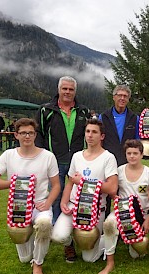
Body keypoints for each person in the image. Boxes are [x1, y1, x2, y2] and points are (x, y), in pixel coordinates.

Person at [0, 118, 60, 274]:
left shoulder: (48, 156)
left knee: (44, 224)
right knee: (24, 258)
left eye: (31, 133)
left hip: (40, 205)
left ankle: (38, 265)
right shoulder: (8, 155)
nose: (27, 136)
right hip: (18, 207)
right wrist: (13, 183)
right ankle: (32, 242)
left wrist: (48, 203)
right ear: (16, 135)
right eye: (23, 133)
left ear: (35, 135)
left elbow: (56, 186)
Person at [52, 119, 118, 263]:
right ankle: (70, 242)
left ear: (102, 136)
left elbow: (112, 187)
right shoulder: (77, 156)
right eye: (87, 131)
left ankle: (105, 239)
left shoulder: (108, 157)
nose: (90, 135)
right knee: (58, 236)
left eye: (94, 132)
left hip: (95, 209)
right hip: (74, 205)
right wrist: (64, 202)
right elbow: (70, 183)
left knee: (89, 258)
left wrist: (83, 182)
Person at [36, 76, 90, 224]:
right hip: (55, 161)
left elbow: (89, 134)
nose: (67, 92)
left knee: (77, 194)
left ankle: (76, 223)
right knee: (56, 194)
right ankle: (54, 224)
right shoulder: (45, 110)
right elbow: (39, 134)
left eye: (71, 89)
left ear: (75, 91)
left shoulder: (83, 111)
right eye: (64, 88)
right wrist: (42, 157)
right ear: (58, 89)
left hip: (77, 161)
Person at [99, 139, 149, 274]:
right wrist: (114, 197)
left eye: (135, 153)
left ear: (142, 155)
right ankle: (110, 261)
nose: (132, 156)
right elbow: (112, 190)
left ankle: (130, 238)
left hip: (140, 215)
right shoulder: (119, 171)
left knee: (137, 254)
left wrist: (148, 220)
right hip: (121, 212)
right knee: (109, 224)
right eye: (129, 153)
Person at [99, 85, 139, 218]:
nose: (122, 98)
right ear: (114, 97)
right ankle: (103, 223)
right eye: (119, 95)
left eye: (125, 96)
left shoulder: (134, 118)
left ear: (128, 99)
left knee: (124, 194)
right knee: (106, 194)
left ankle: (124, 224)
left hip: (126, 162)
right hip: (107, 161)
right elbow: (99, 139)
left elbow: (137, 141)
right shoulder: (103, 117)